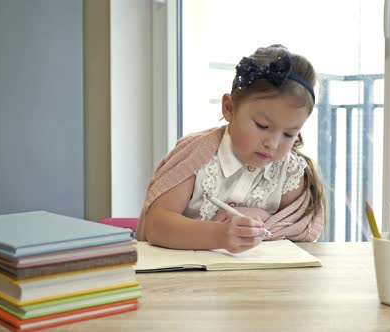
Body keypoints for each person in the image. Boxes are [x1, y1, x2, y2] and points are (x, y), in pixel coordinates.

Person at [136, 44, 326, 253]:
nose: (272, 144)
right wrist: (218, 235)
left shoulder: (289, 172)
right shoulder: (197, 158)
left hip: (260, 281)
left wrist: (265, 219)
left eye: (289, 134)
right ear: (229, 108)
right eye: (262, 126)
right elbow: (156, 225)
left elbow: (299, 229)